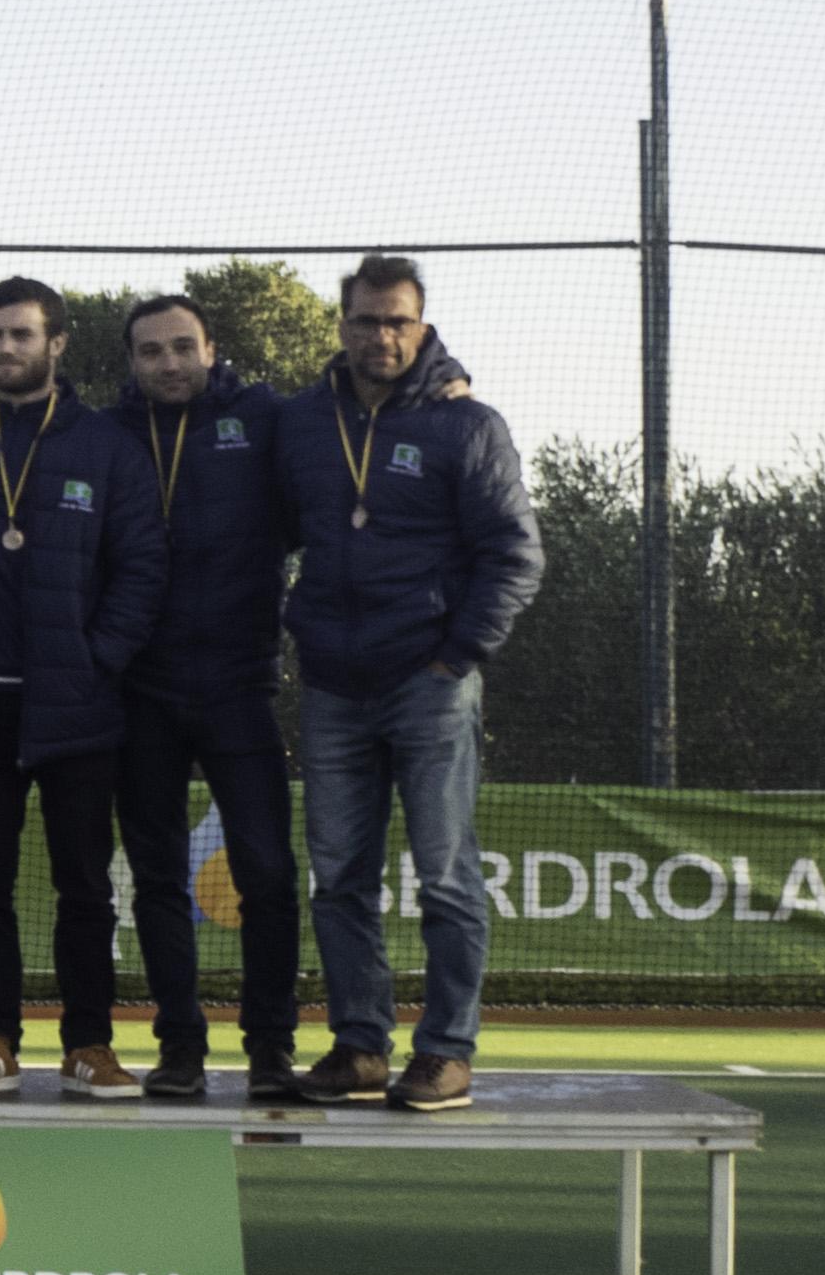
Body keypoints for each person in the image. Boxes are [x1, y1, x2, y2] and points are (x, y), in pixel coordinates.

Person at [279, 255, 541, 1113]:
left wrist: (457, 652)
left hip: (428, 682)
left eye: (397, 321)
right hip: (332, 687)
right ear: (342, 324)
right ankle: (359, 1045)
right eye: (364, 320)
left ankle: (446, 1050)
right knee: (339, 877)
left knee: (447, 874)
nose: (380, 335)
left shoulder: (468, 425)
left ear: (422, 329)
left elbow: (515, 554)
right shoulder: (305, 422)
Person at [0, 278, 167, 1097]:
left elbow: (142, 566)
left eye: (21, 335)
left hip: (77, 701)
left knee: (85, 886)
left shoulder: (105, 446)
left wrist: (96, 657)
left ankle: (89, 1043)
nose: (5, 349)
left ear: (57, 342)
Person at [111, 294, 304, 1098]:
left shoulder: (262, 417)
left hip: (238, 685)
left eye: (182, 347)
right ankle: (180, 1045)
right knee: (156, 877)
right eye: (151, 351)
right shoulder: (106, 430)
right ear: (132, 362)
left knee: (267, 869)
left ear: (211, 349)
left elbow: (344, 412)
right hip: (139, 692)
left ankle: (270, 1047)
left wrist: (445, 380)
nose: (168, 363)